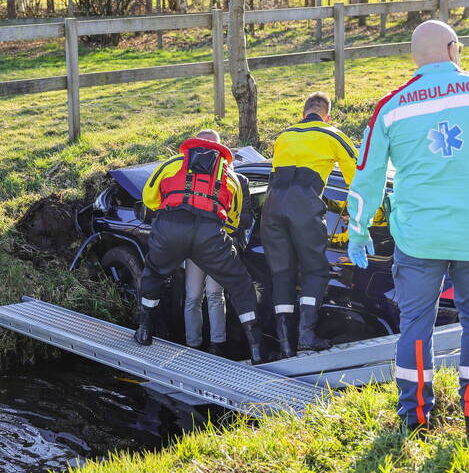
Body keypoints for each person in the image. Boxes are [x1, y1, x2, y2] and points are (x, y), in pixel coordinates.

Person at [346, 20, 469, 437]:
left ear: (415, 57)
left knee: (415, 324)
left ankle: (413, 416)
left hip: (419, 238)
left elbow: (367, 176)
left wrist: (358, 229)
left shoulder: (391, 107)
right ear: (453, 48)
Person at [134, 130, 265, 364]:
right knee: (240, 285)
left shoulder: (172, 164)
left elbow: (149, 198)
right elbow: (233, 219)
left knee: (153, 274)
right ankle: (256, 349)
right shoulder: (229, 175)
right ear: (219, 148)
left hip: (172, 227)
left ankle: (144, 332)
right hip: (210, 235)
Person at [261, 91, 358, 358]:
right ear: (327, 116)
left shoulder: (284, 136)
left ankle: (285, 343)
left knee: (281, 273)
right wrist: (356, 212)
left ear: (303, 114)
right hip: (304, 205)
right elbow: (357, 177)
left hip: (273, 206)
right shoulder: (332, 134)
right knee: (314, 270)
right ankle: (306, 335)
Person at [182, 130, 251, 355]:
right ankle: (194, 344)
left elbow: (247, 218)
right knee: (195, 296)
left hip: (219, 244)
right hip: (197, 246)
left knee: (210, 295)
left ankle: (216, 345)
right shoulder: (188, 177)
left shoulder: (237, 179)